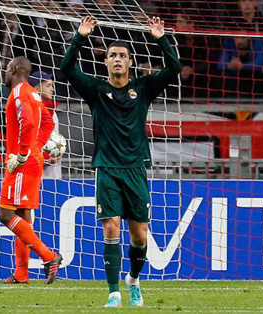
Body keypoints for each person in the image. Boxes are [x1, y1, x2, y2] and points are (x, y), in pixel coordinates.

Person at [60, 16, 181, 307]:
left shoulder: (144, 88)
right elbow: (66, 69)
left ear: (130, 63)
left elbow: (175, 68)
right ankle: (113, 292)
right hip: (107, 169)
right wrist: (80, 37)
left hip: (136, 168)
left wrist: (160, 39)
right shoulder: (97, 91)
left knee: (140, 237)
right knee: (111, 227)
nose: (117, 59)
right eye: (113, 55)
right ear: (106, 62)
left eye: (123, 56)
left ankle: (133, 280)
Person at [0, 56, 62, 284]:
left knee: (6, 214)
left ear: (14, 70)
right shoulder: (33, 94)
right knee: (23, 216)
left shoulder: (19, 93)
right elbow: (48, 123)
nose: (4, 74)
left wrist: (23, 152)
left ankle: (49, 256)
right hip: (32, 160)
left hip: (22, 162)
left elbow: (28, 121)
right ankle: (21, 274)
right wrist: (36, 146)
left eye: (6, 70)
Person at [28, 71, 63, 178]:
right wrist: (46, 157)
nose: (52, 89)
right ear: (37, 89)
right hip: (33, 167)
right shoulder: (29, 111)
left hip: (53, 167)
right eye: (48, 86)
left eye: (52, 85)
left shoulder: (53, 111)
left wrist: (58, 150)